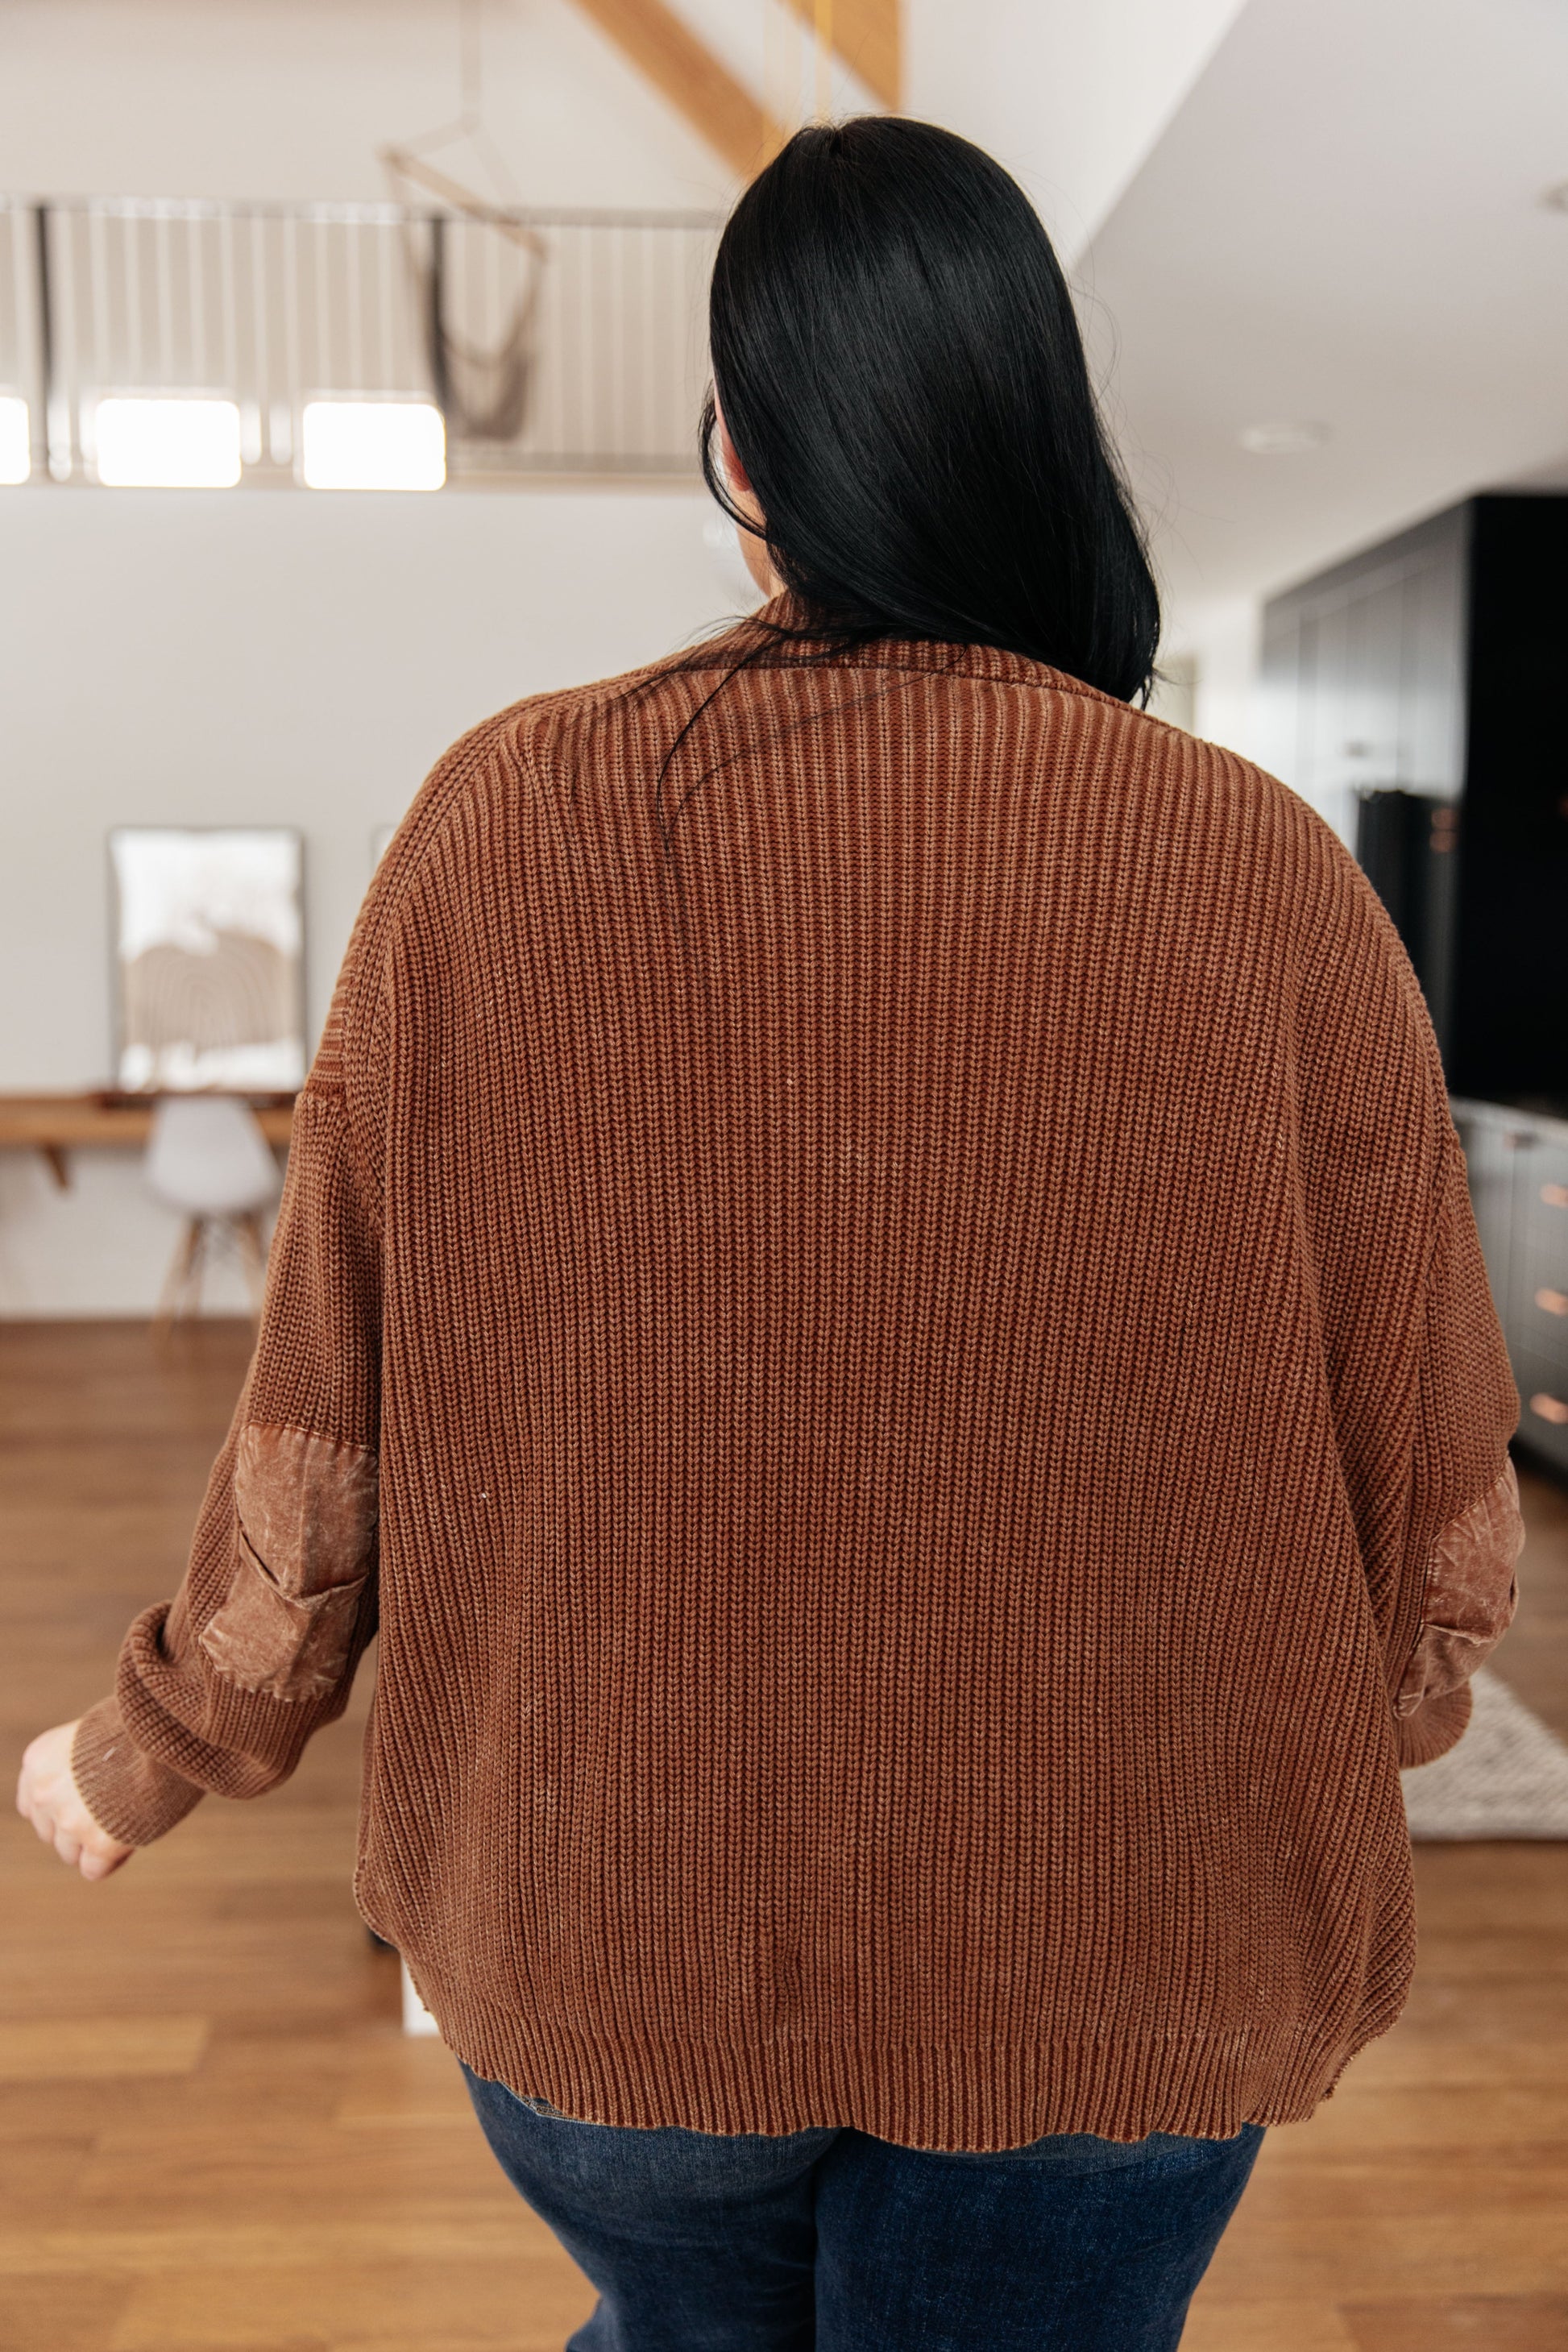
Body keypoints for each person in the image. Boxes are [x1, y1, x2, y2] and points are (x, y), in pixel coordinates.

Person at [17, 118, 1522, 2352]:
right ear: (1040, 434)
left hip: (600, 1915)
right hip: (1116, 1944)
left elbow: (323, 1412)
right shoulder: (1263, 873)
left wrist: (157, 1742)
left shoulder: (489, 828)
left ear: (740, 454)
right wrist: (1369, 1712)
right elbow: (1425, 1473)